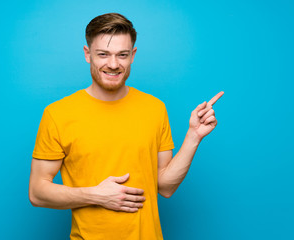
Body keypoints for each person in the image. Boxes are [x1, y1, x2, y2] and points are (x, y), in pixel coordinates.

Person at [29, 12, 223, 240]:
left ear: (133, 55)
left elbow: (165, 186)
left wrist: (193, 137)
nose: (113, 64)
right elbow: (37, 192)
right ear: (87, 54)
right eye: (103, 54)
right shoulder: (58, 114)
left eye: (122, 55)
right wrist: (96, 195)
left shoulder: (154, 108)